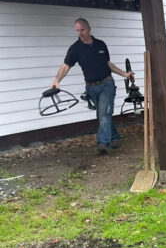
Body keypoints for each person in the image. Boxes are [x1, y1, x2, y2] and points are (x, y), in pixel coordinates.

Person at [51, 18, 133, 154]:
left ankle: (102, 143)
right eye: (77, 30)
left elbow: (108, 64)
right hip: (91, 87)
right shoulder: (75, 49)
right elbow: (66, 66)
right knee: (102, 115)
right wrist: (57, 80)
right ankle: (114, 137)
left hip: (107, 84)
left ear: (89, 28)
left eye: (82, 30)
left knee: (104, 113)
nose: (80, 33)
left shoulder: (101, 44)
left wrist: (124, 74)